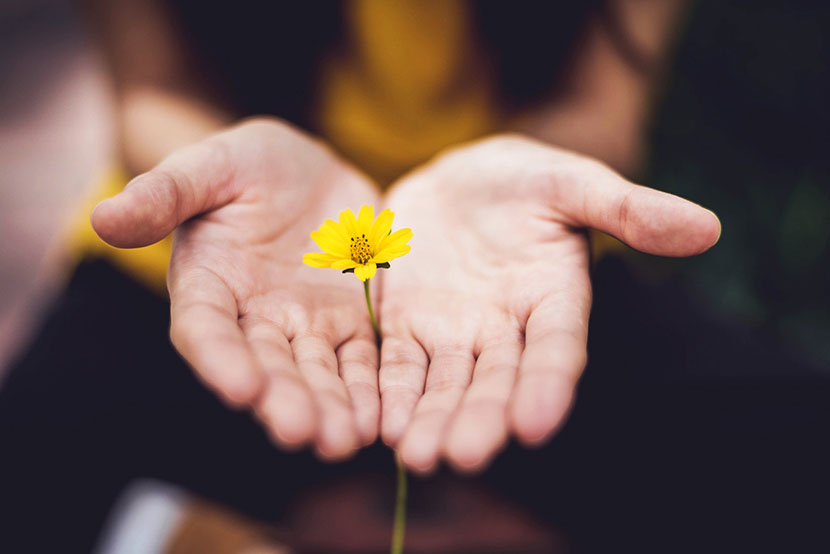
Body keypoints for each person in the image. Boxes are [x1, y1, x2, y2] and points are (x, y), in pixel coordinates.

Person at [2, 1, 828, 552]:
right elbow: (154, 88)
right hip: (222, 263)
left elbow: (600, 109)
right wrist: (206, 173)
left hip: (509, 267)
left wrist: (536, 167)